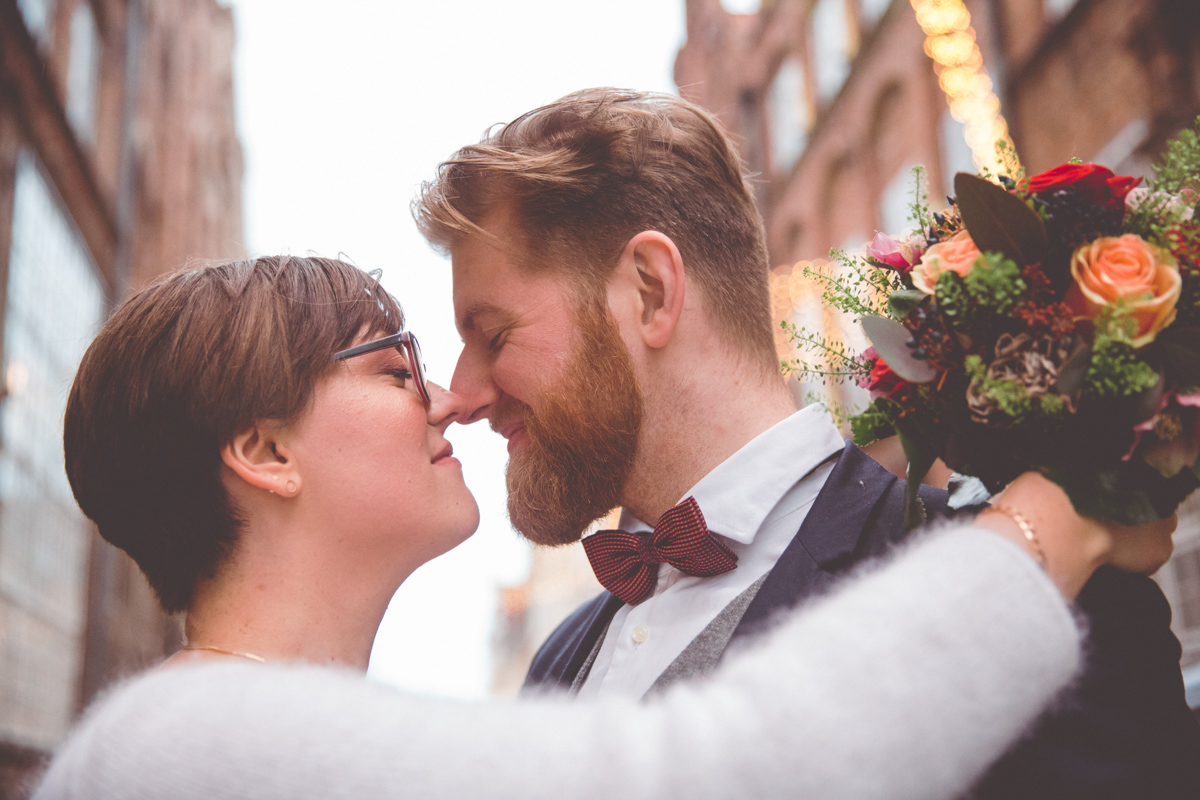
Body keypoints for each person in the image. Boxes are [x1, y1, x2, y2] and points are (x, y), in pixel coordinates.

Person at [37, 254, 1173, 799]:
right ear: (266, 451)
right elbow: (713, 776)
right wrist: (1042, 531)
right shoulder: (178, 746)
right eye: (395, 369)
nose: (451, 400)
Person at [414, 88, 1200, 796]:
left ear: (649, 291)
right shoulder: (561, 662)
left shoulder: (1043, 585)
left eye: (492, 333)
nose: (463, 393)